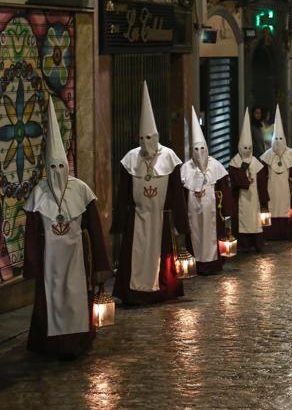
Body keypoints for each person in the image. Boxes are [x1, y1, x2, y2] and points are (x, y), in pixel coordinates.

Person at [23, 98, 111, 358]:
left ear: (67, 164)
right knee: (51, 300)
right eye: (52, 167)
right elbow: (30, 235)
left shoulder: (80, 190)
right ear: (46, 168)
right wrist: (33, 265)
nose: (57, 171)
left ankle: (77, 340)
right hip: (51, 259)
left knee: (75, 296)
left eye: (61, 165)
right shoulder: (39, 193)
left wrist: (100, 264)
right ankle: (51, 343)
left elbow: (94, 226)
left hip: (76, 257)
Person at [112, 82, 189, 306]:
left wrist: (182, 226)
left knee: (161, 255)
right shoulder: (130, 159)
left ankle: (161, 290)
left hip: (160, 217)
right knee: (134, 255)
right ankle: (134, 292)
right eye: (142, 138)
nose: (145, 143)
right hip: (138, 218)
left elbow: (177, 195)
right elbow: (123, 194)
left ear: (156, 136)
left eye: (150, 138)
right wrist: (119, 224)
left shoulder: (169, 157)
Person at [181, 108, 234, 275]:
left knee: (211, 235)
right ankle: (196, 264)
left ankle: (212, 264)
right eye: (196, 149)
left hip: (212, 211)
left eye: (202, 149)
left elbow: (224, 188)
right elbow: (182, 193)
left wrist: (227, 211)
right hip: (193, 211)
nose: (199, 153)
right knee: (195, 235)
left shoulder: (215, 166)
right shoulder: (186, 168)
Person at [229, 109, 269, 253]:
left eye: (249, 148)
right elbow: (240, 184)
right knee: (242, 222)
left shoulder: (257, 164)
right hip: (240, 200)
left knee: (255, 221)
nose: (246, 150)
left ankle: (256, 243)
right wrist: (242, 169)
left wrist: (264, 201)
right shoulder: (235, 162)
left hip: (254, 200)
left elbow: (262, 185)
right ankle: (244, 244)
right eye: (244, 147)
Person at [261, 105, 292, 241]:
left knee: (286, 208)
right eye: (275, 139)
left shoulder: (290, 154)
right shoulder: (267, 156)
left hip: (286, 189)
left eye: (280, 139)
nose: (278, 142)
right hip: (271, 188)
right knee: (273, 208)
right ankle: (271, 234)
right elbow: (263, 175)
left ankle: (287, 234)